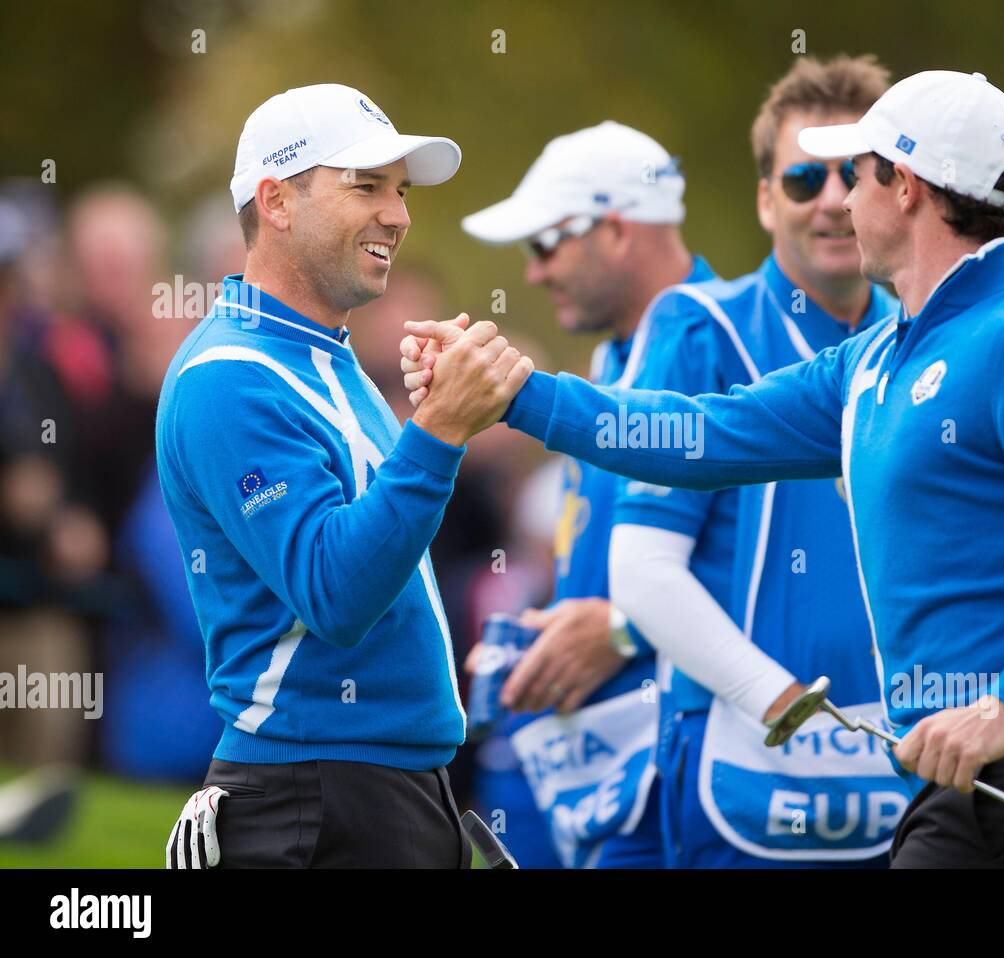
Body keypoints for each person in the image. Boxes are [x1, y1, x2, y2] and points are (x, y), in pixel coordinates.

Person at [406, 69, 1004, 868]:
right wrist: (518, 392)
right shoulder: (872, 360)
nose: (842, 202)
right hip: (945, 788)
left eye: (858, 176)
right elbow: (692, 435)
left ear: (906, 187)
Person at [158, 83, 532, 868]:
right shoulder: (228, 374)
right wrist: (436, 432)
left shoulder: (325, 355)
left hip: (378, 789)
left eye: (399, 191)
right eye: (365, 186)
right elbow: (336, 593)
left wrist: (430, 429)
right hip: (311, 796)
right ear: (277, 202)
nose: (397, 214)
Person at [602, 55, 905, 868]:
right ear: (766, 199)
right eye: (806, 180)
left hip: (911, 772)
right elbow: (642, 570)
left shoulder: (936, 337)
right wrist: (783, 707)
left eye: (860, 175)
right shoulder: (700, 330)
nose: (836, 202)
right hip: (743, 773)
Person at [424, 121, 715, 867]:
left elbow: (786, 566)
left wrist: (622, 629)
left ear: (615, 230)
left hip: (693, 771)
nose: (533, 273)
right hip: (618, 769)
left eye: (545, 245)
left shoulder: (717, 342)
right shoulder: (620, 351)